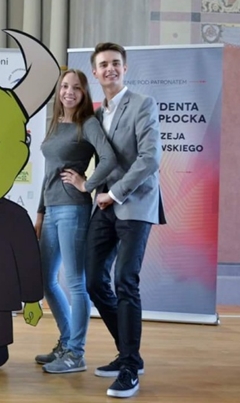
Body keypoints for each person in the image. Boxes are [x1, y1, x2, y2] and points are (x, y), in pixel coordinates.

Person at [86, 42, 165, 398]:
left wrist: (115, 193)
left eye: (115, 63)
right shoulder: (95, 114)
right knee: (93, 280)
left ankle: (130, 368)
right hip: (104, 205)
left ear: (125, 67)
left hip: (134, 203)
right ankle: (129, 352)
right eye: (103, 64)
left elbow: (150, 159)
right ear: (95, 72)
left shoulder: (143, 104)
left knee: (125, 281)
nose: (110, 69)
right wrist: (88, 186)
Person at [34, 69, 118, 374]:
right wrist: (40, 212)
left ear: (84, 93)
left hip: (73, 210)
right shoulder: (56, 123)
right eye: (65, 86)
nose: (69, 92)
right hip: (52, 210)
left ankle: (76, 353)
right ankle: (66, 341)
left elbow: (109, 158)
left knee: (75, 283)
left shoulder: (88, 124)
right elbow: (49, 172)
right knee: (45, 280)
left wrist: (87, 184)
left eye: (76, 88)